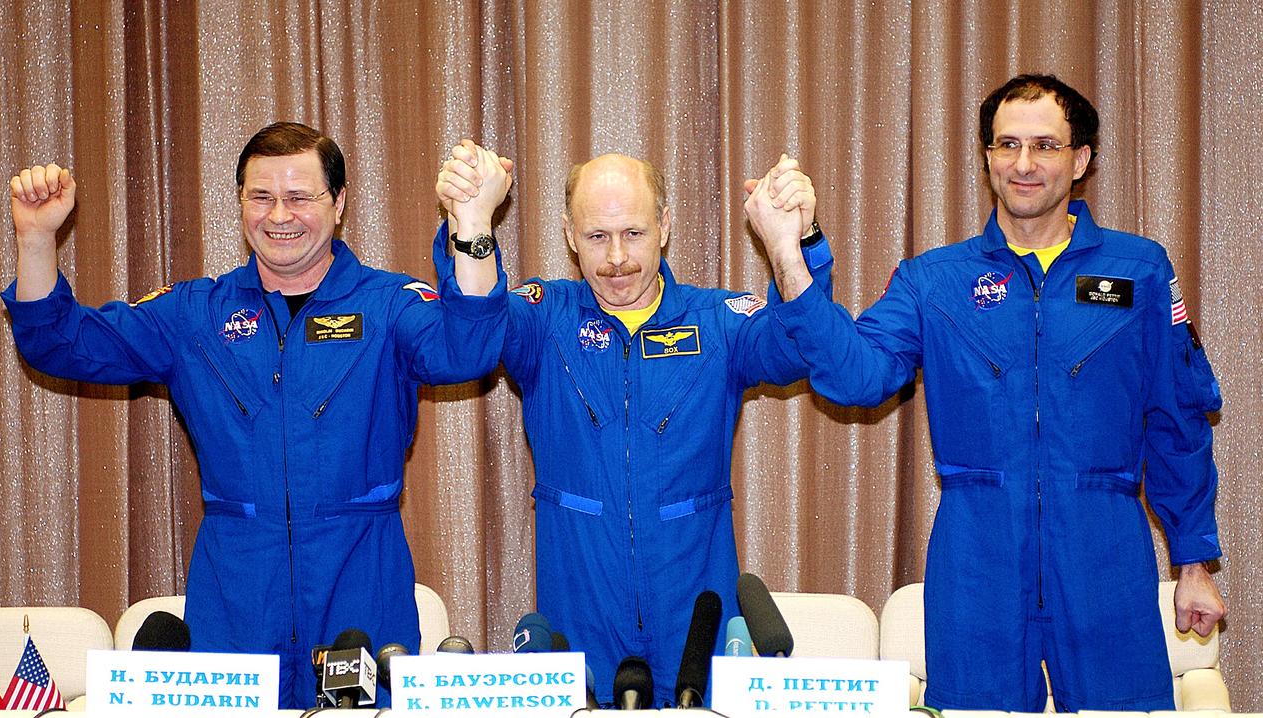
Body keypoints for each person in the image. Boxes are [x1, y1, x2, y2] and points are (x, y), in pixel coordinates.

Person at [756, 74, 1226, 711]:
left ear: (1081, 159)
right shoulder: (934, 280)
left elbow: (1179, 419)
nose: (1024, 165)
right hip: (977, 559)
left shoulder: (1137, 270)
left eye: (1045, 146)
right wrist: (794, 254)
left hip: (1105, 552)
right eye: (1007, 145)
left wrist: (1194, 560)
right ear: (987, 158)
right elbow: (855, 375)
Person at [2, 122, 509, 708]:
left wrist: (471, 226)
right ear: (240, 201)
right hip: (236, 590)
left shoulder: (388, 305)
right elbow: (60, 344)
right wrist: (36, 238)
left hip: (360, 577)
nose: (279, 215)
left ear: (339, 204)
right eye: (261, 196)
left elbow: (470, 348)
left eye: (300, 197)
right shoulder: (195, 314)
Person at [436, 143, 830, 705]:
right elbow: (474, 327)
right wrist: (469, 221)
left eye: (634, 234)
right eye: (597, 237)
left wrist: (799, 245)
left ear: (665, 226)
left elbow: (803, 347)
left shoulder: (718, 321)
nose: (617, 258)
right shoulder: (544, 317)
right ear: (570, 235)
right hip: (581, 610)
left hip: (696, 617)